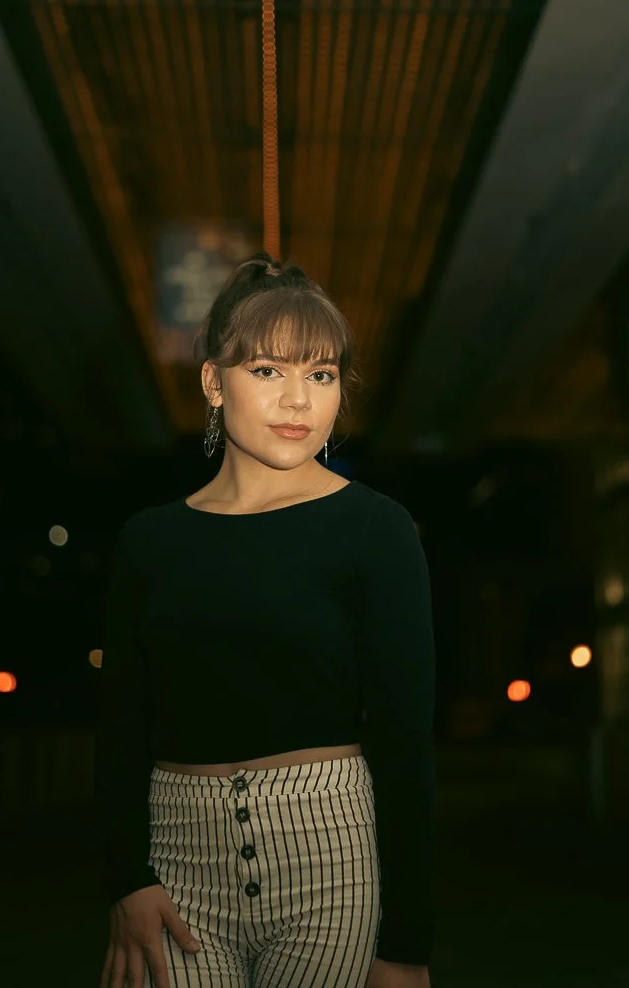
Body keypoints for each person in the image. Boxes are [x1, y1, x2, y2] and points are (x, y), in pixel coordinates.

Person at [96, 254, 436, 988]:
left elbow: (407, 742)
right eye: (267, 371)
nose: (298, 400)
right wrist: (127, 878)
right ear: (214, 383)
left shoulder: (376, 529)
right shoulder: (148, 541)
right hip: (175, 870)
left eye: (320, 375)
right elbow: (121, 723)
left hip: (330, 866)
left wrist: (406, 947)